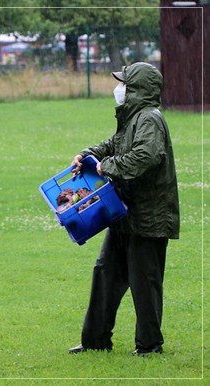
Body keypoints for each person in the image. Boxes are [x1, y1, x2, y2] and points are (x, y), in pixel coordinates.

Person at [68, 62, 179, 356]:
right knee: (105, 272)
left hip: (149, 216)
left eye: (124, 84)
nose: (118, 89)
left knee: (145, 283)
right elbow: (113, 144)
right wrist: (88, 154)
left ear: (137, 89)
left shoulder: (150, 119)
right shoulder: (133, 119)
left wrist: (106, 167)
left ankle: (149, 346)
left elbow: (147, 155)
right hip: (123, 213)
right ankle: (94, 341)